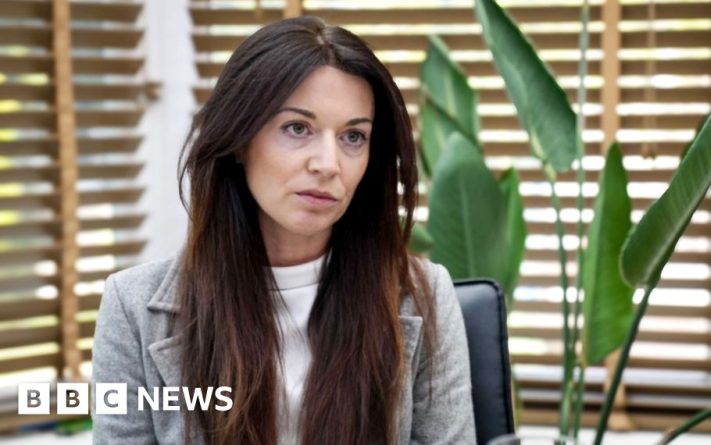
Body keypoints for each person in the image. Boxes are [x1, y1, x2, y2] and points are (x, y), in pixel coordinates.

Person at [91, 15, 476, 445]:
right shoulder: (132, 308)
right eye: (297, 128)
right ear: (239, 140)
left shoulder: (423, 295)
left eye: (353, 137)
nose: (328, 164)